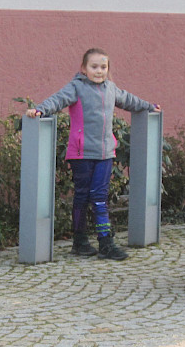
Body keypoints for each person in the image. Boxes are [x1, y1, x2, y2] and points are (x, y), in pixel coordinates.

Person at [25, 48, 160, 260]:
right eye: (94, 67)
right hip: (81, 154)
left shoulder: (111, 88)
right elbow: (57, 100)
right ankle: (80, 241)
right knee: (82, 196)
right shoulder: (76, 87)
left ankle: (105, 242)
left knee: (99, 197)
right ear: (83, 68)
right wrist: (40, 109)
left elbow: (129, 100)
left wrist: (148, 106)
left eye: (103, 67)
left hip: (105, 153)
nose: (99, 71)